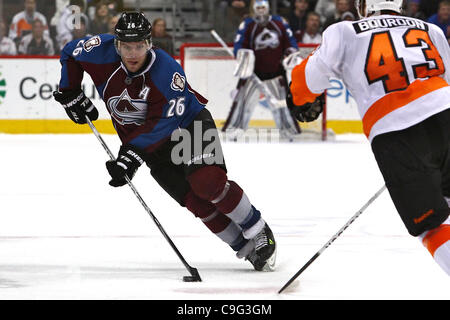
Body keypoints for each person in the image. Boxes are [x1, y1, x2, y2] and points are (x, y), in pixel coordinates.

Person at [52, 12, 277, 272]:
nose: (133, 53)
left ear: (149, 43)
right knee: (195, 201)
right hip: (148, 145)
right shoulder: (99, 50)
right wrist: (70, 91)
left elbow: (165, 122)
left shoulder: (166, 71)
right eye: (127, 46)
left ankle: (257, 229)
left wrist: (132, 154)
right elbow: (70, 53)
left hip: (186, 126)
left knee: (207, 183)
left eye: (139, 46)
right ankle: (244, 247)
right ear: (116, 44)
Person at [287, 0, 450, 275]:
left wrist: (299, 95)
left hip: (396, 133)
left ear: (365, 5)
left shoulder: (344, 31)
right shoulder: (430, 29)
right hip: (445, 112)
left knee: (430, 224)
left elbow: (307, 84)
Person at [224, 0, 301, 139]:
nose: (261, 11)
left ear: (268, 8)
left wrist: (291, 51)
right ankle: (234, 131)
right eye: (258, 8)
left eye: (263, 7)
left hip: (276, 72)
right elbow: (239, 43)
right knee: (242, 105)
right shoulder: (248, 24)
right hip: (253, 74)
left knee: (282, 107)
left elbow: (290, 41)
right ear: (254, 9)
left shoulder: (279, 23)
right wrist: (241, 54)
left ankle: (289, 133)